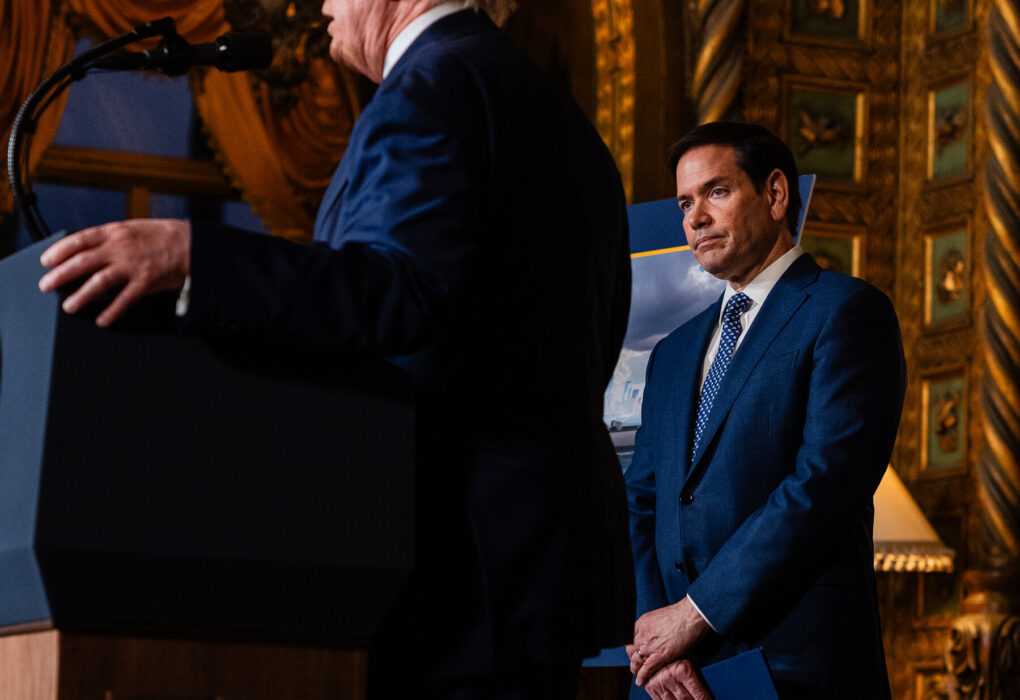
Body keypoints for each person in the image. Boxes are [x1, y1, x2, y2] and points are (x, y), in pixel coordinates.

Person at [38, 1, 636, 696]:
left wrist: (194, 257)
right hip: (542, 562)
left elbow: (399, 287)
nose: (322, 3)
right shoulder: (560, 115)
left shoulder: (431, 86)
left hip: (459, 566)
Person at [624, 122, 905, 700]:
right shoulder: (672, 352)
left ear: (775, 194)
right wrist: (659, 639)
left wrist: (694, 614)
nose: (695, 218)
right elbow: (641, 503)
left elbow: (824, 486)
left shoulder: (847, 311)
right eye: (685, 203)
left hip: (792, 665)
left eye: (716, 192)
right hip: (670, 677)